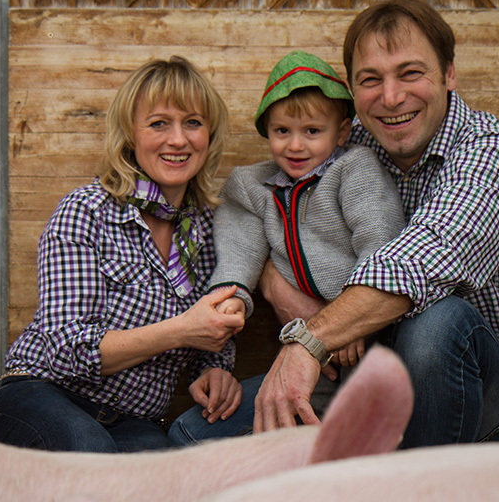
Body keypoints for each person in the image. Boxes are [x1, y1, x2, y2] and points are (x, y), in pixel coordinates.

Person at [254, 0, 499, 447]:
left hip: (488, 392)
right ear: (353, 91)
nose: (391, 97)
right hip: (365, 371)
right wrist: (279, 288)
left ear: (449, 73)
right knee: (197, 434)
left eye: (411, 73)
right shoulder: (349, 146)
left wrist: (309, 341)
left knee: (437, 324)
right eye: (371, 80)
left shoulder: (494, 151)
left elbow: (424, 257)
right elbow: (265, 211)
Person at [0, 56, 245, 453]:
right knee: (90, 451)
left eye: (193, 122)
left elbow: (215, 330)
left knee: (168, 478)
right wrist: (182, 330)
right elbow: (70, 353)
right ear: (129, 135)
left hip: (133, 421)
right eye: (158, 124)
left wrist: (215, 371)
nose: (178, 139)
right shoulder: (86, 211)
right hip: (42, 395)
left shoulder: (209, 230)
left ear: (210, 135)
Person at [168, 50, 405, 444]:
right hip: (316, 362)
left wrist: (356, 320)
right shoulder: (253, 187)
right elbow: (238, 249)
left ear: (342, 132)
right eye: (282, 131)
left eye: (312, 131)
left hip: (376, 341)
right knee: (192, 435)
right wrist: (233, 298)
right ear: (267, 131)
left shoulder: (355, 169)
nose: (295, 145)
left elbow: (379, 241)